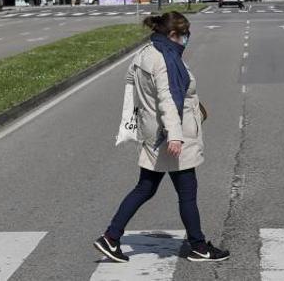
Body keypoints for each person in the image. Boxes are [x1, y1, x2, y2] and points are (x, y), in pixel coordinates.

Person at [94, 13, 230, 264]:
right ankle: (199, 246)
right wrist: (176, 137)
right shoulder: (166, 60)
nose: (186, 39)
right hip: (172, 136)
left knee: (145, 188)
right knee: (187, 192)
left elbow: (131, 83)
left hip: (154, 133)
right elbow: (168, 100)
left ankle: (111, 237)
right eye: (184, 34)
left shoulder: (145, 52)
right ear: (172, 35)